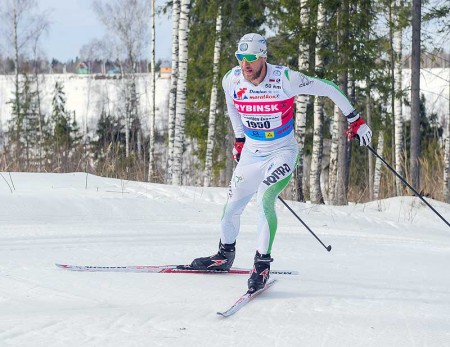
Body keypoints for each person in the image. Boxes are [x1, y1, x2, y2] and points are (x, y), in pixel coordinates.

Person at [189, 33, 372, 293]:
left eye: (251, 57)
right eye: (240, 57)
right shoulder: (231, 80)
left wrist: (355, 119)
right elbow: (232, 106)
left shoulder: (285, 79)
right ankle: (223, 256)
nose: (245, 64)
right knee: (231, 207)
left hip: (281, 152)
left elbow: (329, 87)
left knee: (265, 198)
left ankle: (262, 264)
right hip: (252, 152)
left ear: (263, 57)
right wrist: (240, 139)